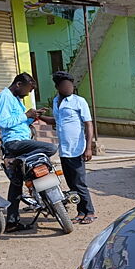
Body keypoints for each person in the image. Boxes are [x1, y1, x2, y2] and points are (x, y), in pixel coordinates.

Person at [0, 73, 57, 232]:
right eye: (27, 90)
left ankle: (12, 222)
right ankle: (19, 161)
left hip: (21, 141)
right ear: (18, 84)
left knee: (16, 184)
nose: (28, 94)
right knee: (51, 148)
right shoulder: (4, 97)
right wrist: (26, 115)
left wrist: (33, 117)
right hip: (14, 143)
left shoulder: (15, 99)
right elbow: (4, 122)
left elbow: (20, 123)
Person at [39, 71, 97, 225]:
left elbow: (88, 124)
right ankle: (80, 212)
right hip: (64, 150)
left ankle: (89, 211)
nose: (69, 87)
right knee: (71, 183)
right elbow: (56, 121)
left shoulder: (79, 101)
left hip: (77, 148)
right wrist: (38, 117)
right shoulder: (56, 102)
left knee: (79, 183)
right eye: (65, 85)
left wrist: (89, 147)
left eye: (71, 85)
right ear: (58, 87)